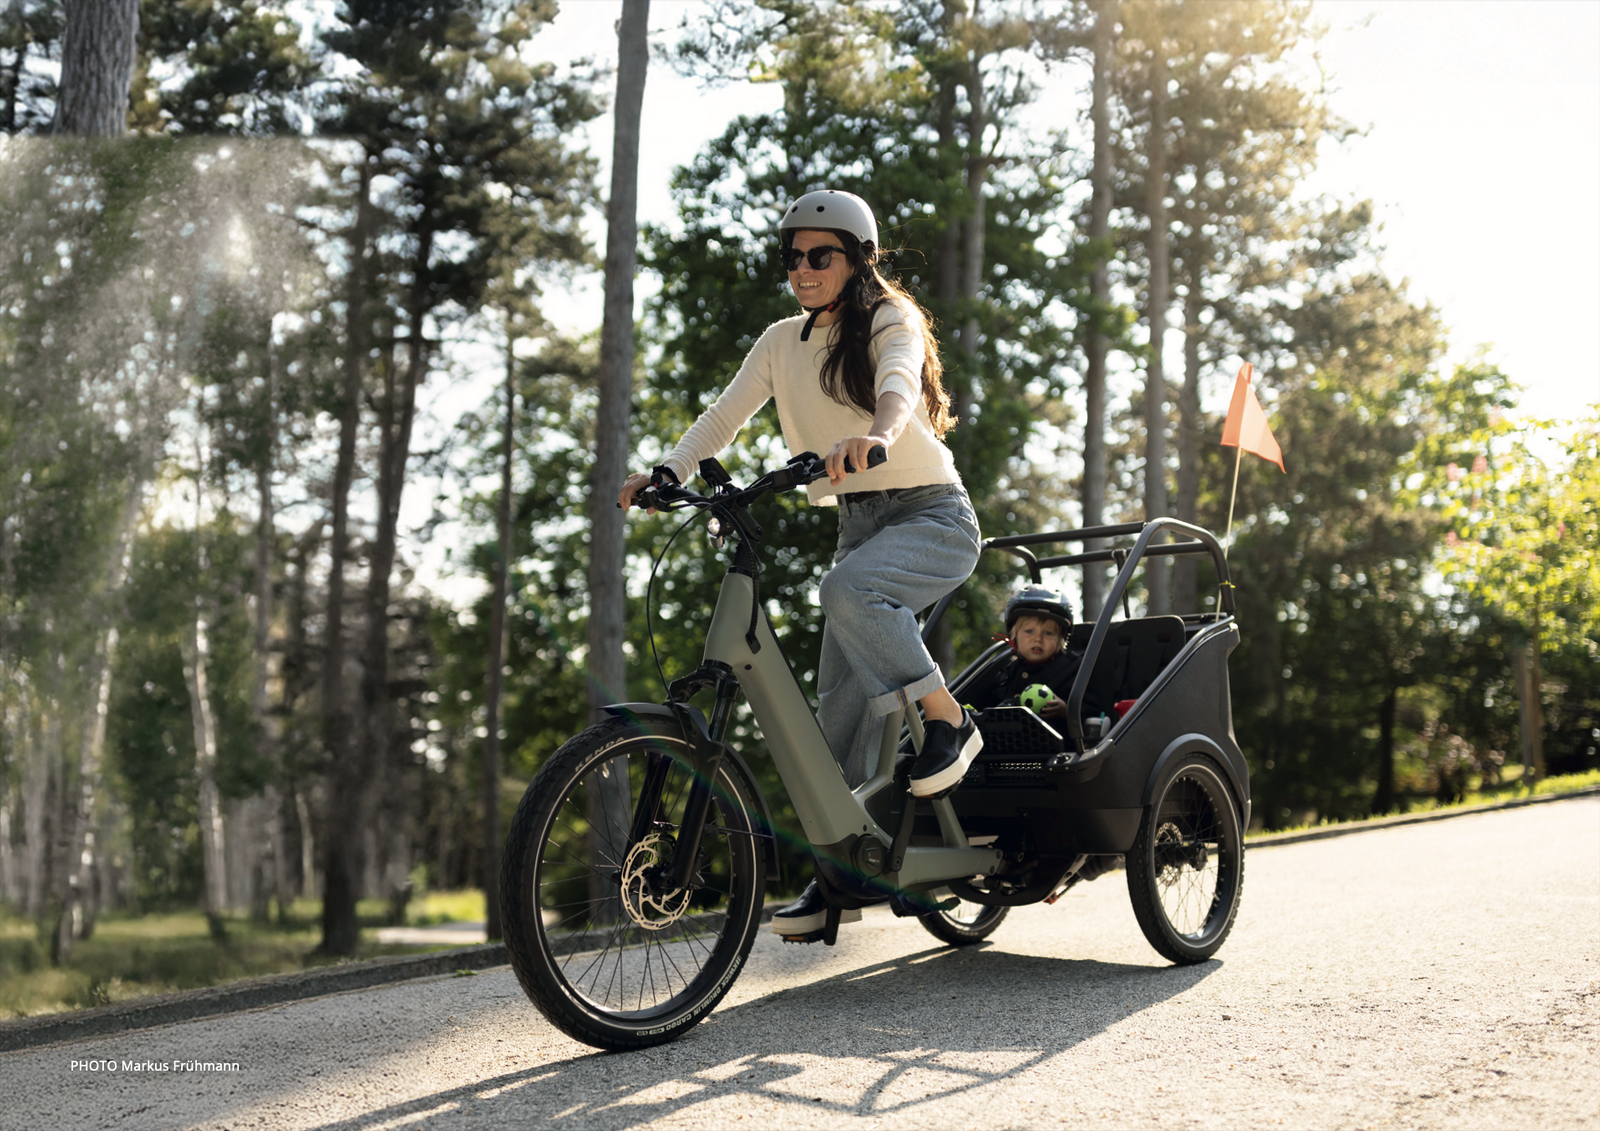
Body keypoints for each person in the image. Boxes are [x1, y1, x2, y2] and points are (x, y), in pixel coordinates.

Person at [618, 189, 982, 939]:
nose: (803, 269)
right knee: (836, 722)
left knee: (846, 588)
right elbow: (723, 417)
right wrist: (668, 471)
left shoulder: (889, 318)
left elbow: (900, 381)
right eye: (792, 257)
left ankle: (949, 718)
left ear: (857, 259)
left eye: (821, 255)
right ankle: (841, 873)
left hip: (933, 515)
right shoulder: (783, 341)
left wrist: (877, 435)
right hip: (859, 525)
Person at [960, 587, 1082, 720]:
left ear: (1061, 638)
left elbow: (1091, 712)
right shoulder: (1006, 673)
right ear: (1014, 634)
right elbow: (985, 706)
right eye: (1029, 631)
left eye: (1048, 633)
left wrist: (1067, 710)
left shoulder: (1074, 671)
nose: (1038, 639)